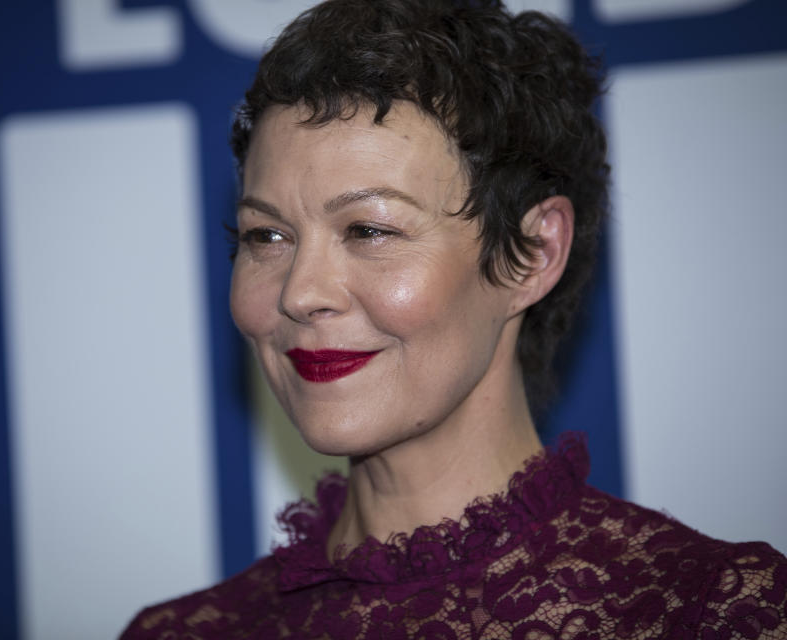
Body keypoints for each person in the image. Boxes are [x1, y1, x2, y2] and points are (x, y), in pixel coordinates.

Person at [121, 0, 787, 637]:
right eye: (267, 237)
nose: (302, 293)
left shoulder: (713, 614)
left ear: (533, 253)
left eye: (369, 229)